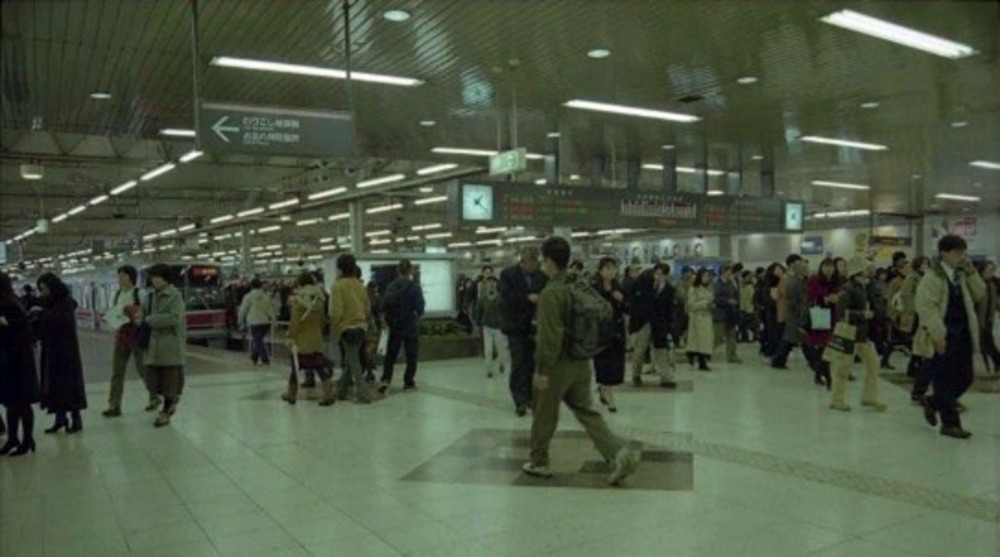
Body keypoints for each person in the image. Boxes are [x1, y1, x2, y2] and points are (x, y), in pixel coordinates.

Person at [522, 237, 640, 484]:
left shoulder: (551, 293)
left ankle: (539, 461)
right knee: (587, 412)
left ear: (548, 261)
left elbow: (550, 337)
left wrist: (542, 370)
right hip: (581, 362)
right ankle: (619, 453)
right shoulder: (579, 284)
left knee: (544, 414)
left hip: (557, 365)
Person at [914, 235, 986, 439]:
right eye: (957, 253)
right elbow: (926, 308)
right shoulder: (932, 278)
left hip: (963, 334)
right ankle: (950, 424)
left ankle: (934, 401)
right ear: (944, 253)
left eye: (963, 253)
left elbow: (980, 294)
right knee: (944, 379)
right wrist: (938, 335)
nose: (961, 257)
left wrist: (972, 272)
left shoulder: (961, 275)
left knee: (966, 377)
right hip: (944, 335)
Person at [827, 257, 887, 413]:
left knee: (873, 364)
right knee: (843, 367)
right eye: (867, 268)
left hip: (862, 334)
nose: (870, 271)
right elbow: (841, 312)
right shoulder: (847, 289)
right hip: (849, 333)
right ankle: (837, 399)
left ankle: (869, 397)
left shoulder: (866, 287)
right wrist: (862, 315)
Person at [29, 273, 87, 434]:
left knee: (69, 385)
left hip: (66, 351)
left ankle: (76, 419)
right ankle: (60, 418)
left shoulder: (65, 302)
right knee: (54, 385)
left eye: (45, 289)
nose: (43, 292)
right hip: (51, 350)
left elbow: (61, 319)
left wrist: (41, 313)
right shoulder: (47, 302)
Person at [103, 265, 159, 417]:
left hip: (136, 335)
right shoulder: (117, 294)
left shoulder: (139, 293)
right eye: (119, 275)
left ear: (130, 277)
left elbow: (146, 313)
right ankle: (114, 405)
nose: (120, 278)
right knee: (117, 371)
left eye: (123, 275)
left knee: (142, 369)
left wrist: (132, 313)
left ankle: (154, 396)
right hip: (122, 334)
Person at [499, 247, 547, 416]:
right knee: (518, 362)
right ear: (523, 261)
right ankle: (519, 400)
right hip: (515, 326)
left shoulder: (541, 276)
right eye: (531, 264)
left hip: (533, 326)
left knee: (532, 363)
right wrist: (527, 298)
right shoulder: (508, 275)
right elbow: (507, 297)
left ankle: (532, 398)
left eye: (536, 264)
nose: (533, 267)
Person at [0, 272, 40, 456]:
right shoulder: (12, 302)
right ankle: (16, 438)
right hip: (15, 360)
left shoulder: (9, 305)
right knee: (15, 403)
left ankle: (25, 439)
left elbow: (19, 333)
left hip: (16, 361)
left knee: (18, 402)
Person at [143, 264, 186, 427]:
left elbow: (175, 318)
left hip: (170, 344)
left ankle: (166, 410)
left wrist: (151, 320)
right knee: (153, 381)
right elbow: (144, 315)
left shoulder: (175, 296)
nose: (153, 280)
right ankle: (170, 402)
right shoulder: (150, 296)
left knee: (170, 381)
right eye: (152, 277)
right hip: (153, 345)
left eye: (157, 277)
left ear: (166, 278)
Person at [283, 272, 334, 406]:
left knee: (296, 367)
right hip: (315, 336)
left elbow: (295, 321)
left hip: (301, 339)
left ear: (300, 283)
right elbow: (323, 320)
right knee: (319, 366)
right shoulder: (319, 299)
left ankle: (291, 394)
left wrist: (290, 335)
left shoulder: (298, 300)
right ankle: (328, 394)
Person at [331, 254, 374, 404]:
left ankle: (364, 394)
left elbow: (336, 311)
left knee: (354, 362)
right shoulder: (359, 284)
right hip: (361, 327)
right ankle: (341, 391)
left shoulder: (337, 286)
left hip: (346, 328)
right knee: (351, 359)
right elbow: (367, 307)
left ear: (339, 268)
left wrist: (334, 327)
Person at [380, 259, 426, 393]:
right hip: (410, 324)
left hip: (394, 324)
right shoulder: (415, 287)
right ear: (410, 270)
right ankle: (408, 382)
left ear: (398, 271)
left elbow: (384, 304)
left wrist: (388, 319)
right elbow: (420, 308)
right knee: (411, 354)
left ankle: (386, 380)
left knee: (391, 355)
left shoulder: (391, 286)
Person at [627, 264, 677, 387]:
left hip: (660, 323)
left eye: (661, 274)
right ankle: (636, 374)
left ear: (666, 275)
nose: (658, 276)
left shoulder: (669, 289)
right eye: (656, 273)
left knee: (661, 350)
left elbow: (669, 309)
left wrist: (669, 327)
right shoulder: (645, 284)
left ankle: (666, 378)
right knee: (640, 350)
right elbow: (636, 301)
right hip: (645, 322)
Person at [592, 257, 627, 412]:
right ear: (600, 270)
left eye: (613, 268)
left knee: (615, 363)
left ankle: (605, 388)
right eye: (607, 268)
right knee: (603, 362)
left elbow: (627, 307)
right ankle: (608, 393)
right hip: (600, 331)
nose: (611, 271)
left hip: (617, 331)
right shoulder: (594, 288)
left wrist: (621, 300)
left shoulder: (618, 287)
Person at [803, 258, 840, 389]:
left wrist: (837, 299)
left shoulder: (837, 281)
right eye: (825, 266)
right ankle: (827, 376)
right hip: (820, 316)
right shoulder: (814, 280)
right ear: (821, 268)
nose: (828, 269)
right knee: (823, 347)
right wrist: (824, 299)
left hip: (834, 316)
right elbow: (810, 297)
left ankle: (819, 374)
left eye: (831, 267)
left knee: (827, 348)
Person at [772, 255, 808, 369]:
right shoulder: (788, 278)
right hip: (789, 313)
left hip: (789, 312)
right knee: (789, 338)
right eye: (799, 263)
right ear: (793, 264)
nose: (802, 265)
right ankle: (778, 360)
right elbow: (787, 297)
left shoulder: (793, 278)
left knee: (789, 338)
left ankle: (778, 360)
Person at [474, 276, 509, 379]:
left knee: (501, 349)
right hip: (487, 327)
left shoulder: (502, 298)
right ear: (486, 285)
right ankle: (489, 369)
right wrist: (478, 324)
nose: (491, 284)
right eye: (489, 282)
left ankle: (501, 363)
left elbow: (506, 312)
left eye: (493, 282)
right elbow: (478, 312)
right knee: (488, 350)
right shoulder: (482, 299)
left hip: (499, 327)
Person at [239, 277, 276, 366]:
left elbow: (243, 310)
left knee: (257, 340)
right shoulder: (266, 296)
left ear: (251, 286)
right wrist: (274, 320)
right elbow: (271, 309)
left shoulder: (248, 297)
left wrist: (240, 320)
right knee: (258, 340)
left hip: (254, 321)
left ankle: (265, 359)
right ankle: (254, 358)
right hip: (265, 322)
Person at [686, 269, 715, 371]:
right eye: (704, 276)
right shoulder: (693, 289)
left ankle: (701, 357)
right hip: (697, 318)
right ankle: (700, 360)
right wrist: (705, 304)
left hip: (707, 317)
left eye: (708, 276)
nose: (706, 278)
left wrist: (711, 305)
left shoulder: (709, 289)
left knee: (705, 341)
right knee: (699, 342)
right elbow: (691, 305)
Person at [712, 265, 741, 364]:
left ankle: (732, 355)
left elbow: (736, 295)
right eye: (728, 272)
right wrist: (727, 301)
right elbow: (716, 298)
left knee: (732, 335)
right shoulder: (717, 284)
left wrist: (735, 285)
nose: (730, 274)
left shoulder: (731, 284)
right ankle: (707, 353)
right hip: (720, 314)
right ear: (723, 272)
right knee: (717, 336)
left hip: (731, 314)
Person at [975, 261, 999, 374]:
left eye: (993, 270)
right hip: (978, 319)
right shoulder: (977, 284)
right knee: (985, 344)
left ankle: (994, 364)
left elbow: (995, 302)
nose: (991, 272)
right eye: (989, 270)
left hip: (988, 320)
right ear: (982, 270)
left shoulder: (992, 285)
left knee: (987, 343)